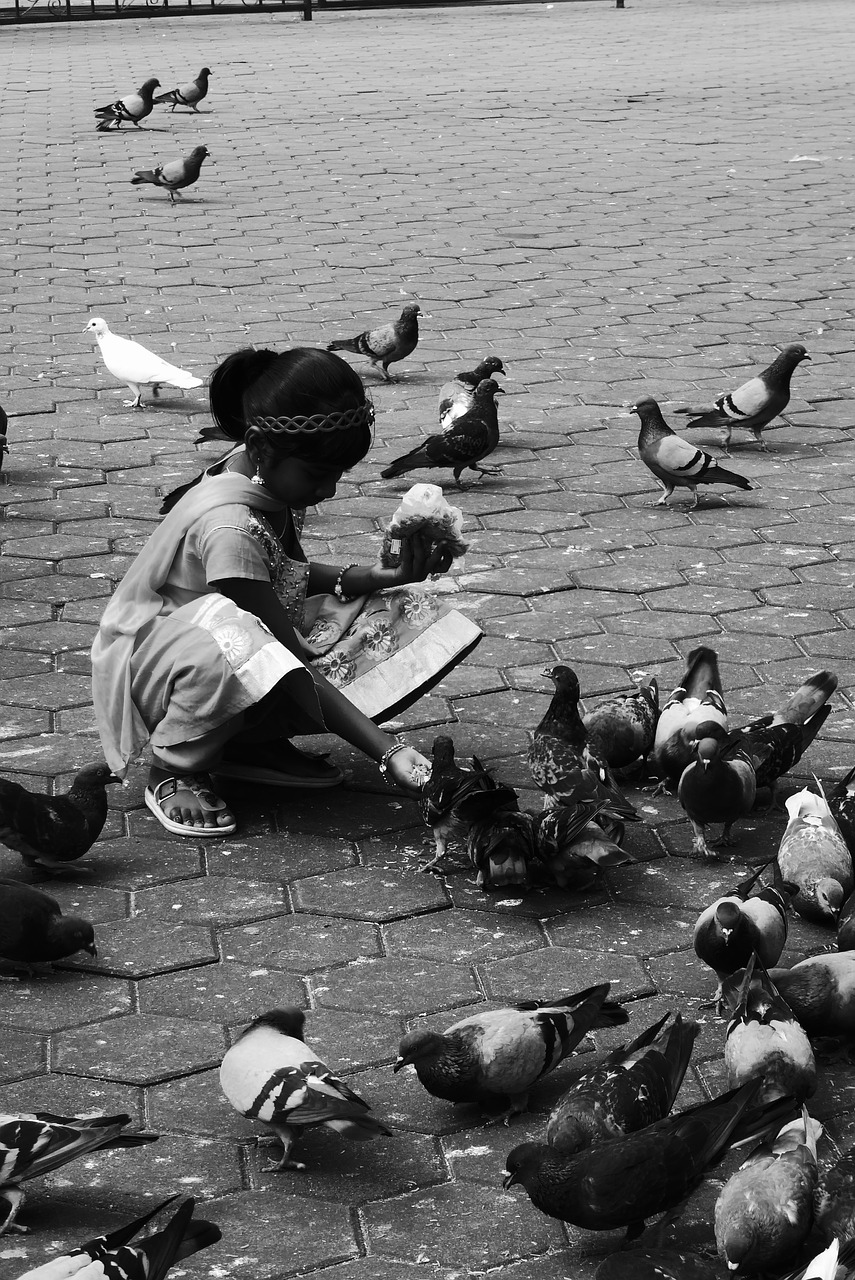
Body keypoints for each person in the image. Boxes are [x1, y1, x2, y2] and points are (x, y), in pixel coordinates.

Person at [91, 346, 482, 838]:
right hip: (176, 667)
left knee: (409, 608)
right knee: (237, 642)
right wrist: (388, 752)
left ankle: (245, 744)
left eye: (338, 474)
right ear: (258, 446)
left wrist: (380, 576)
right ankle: (174, 768)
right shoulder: (229, 527)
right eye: (319, 475)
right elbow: (275, 654)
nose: (330, 490)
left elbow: (281, 573)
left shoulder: (263, 474)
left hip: (250, 637)